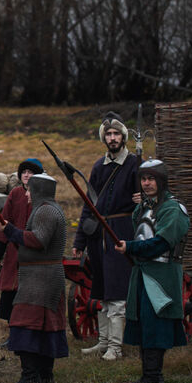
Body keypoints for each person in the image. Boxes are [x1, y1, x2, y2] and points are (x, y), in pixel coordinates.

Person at [115, 160, 190, 383]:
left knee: (156, 325)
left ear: (161, 180)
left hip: (162, 275)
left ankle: (154, 377)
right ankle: (147, 376)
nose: (146, 183)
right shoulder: (144, 208)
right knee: (143, 323)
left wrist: (131, 248)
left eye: (151, 179)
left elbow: (160, 244)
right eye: (143, 179)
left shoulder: (174, 209)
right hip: (143, 272)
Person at [72, 112, 139, 360]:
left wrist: (143, 199)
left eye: (116, 134)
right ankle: (102, 342)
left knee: (118, 291)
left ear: (123, 137)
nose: (112, 138)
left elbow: (148, 196)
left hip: (122, 233)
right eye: (108, 134)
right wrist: (79, 241)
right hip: (98, 237)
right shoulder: (99, 167)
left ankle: (115, 347)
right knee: (100, 290)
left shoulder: (134, 164)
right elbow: (89, 205)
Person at [0, 173, 68, 383]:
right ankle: (42, 377)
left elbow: (38, 240)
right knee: (42, 330)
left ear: (39, 190)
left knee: (26, 327)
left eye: (29, 189)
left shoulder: (46, 210)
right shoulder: (44, 209)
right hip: (39, 277)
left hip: (41, 279)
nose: (26, 194)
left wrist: (11, 231)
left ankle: (32, 378)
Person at [0, 158, 43, 329]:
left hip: (32, 250)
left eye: (31, 172)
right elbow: (4, 220)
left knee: (28, 292)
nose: (27, 175)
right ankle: (12, 330)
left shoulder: (42, 196)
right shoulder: (15, 194)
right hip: (14, 250)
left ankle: (26, 328)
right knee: (11, 291)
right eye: (24, 172)